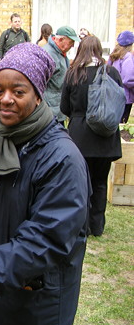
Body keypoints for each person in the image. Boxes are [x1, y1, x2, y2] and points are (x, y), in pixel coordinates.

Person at [0, 42, 90, 325]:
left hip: (36, 306)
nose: (5, 100)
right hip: (3, 295)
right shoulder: (0, 140)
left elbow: (46, 237)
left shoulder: (61, 158)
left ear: (39, 95)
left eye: (18, 91)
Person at [61, 35, 123, 237]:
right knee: (100, 182)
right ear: (99, 50)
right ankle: (97, 226)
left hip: (80, 136)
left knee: (80, 184)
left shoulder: (73, 74)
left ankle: (83, 225)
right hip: (105, 136)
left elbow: (64, 107)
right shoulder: (111, 72)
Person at [42, 26, 80, 125]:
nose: (72, 46)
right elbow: (40, 83)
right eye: (71, 42)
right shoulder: (48, 54)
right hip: (50, 112)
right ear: (60, 39)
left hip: (57, 109)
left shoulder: (60, 52)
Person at [108, 30, 134, 123]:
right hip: (125, 96)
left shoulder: (114, 55)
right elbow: (128, 79)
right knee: (122, 124)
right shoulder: (128, 57)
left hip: (113, 94)